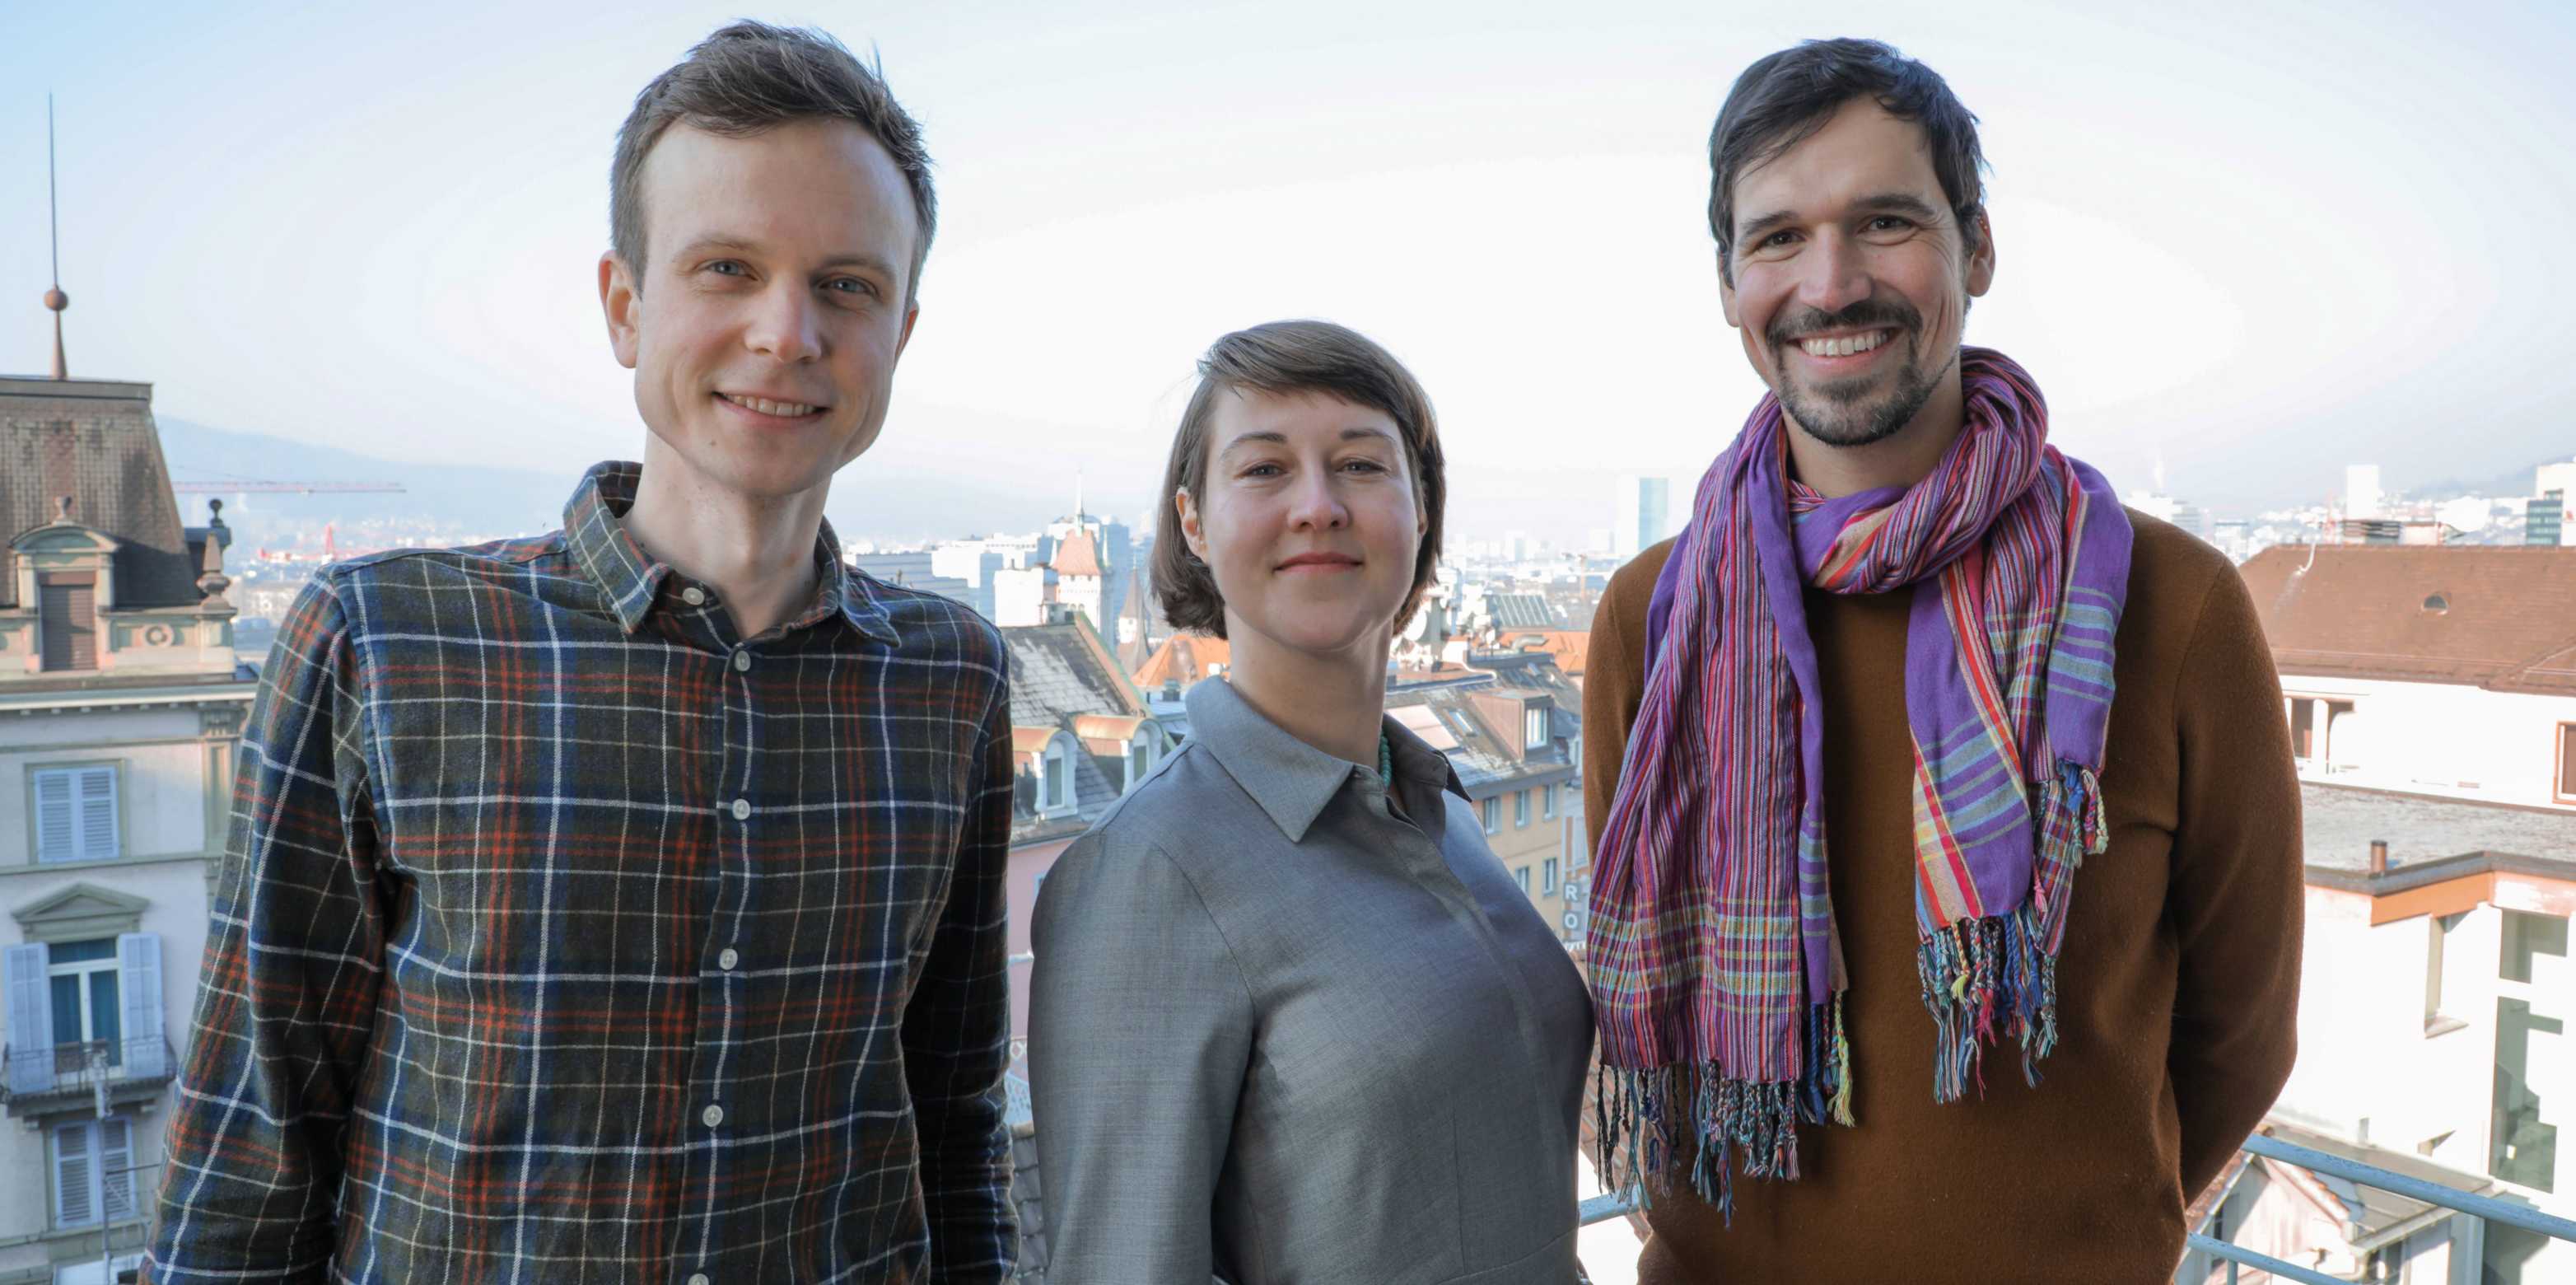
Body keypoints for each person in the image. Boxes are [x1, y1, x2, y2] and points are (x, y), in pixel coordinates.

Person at [143, 22, 1016, 1283]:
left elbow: (953, 1119)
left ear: (900, 334)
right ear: (624, 306)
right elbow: (252, 1144)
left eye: (847, 284)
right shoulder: (385, 642)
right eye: (727, 267)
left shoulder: (954, 679)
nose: (788, 331)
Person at [1583, 38, 2303, 1284]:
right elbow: (1624, 998)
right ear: (1727, 282)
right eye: (1777, 238)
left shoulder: (2168, 606)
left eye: (1884, 222)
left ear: (1975, 249)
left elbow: (2240, 1035)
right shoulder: (1653, 614)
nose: (1832, 281)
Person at [1029, 320, 1594, 1283]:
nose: (1318, 506)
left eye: (1361, 465)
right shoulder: (1147, 872)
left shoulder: (1440, 811)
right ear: (1194, 523)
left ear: (1421, 514)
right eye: (1263, 470)